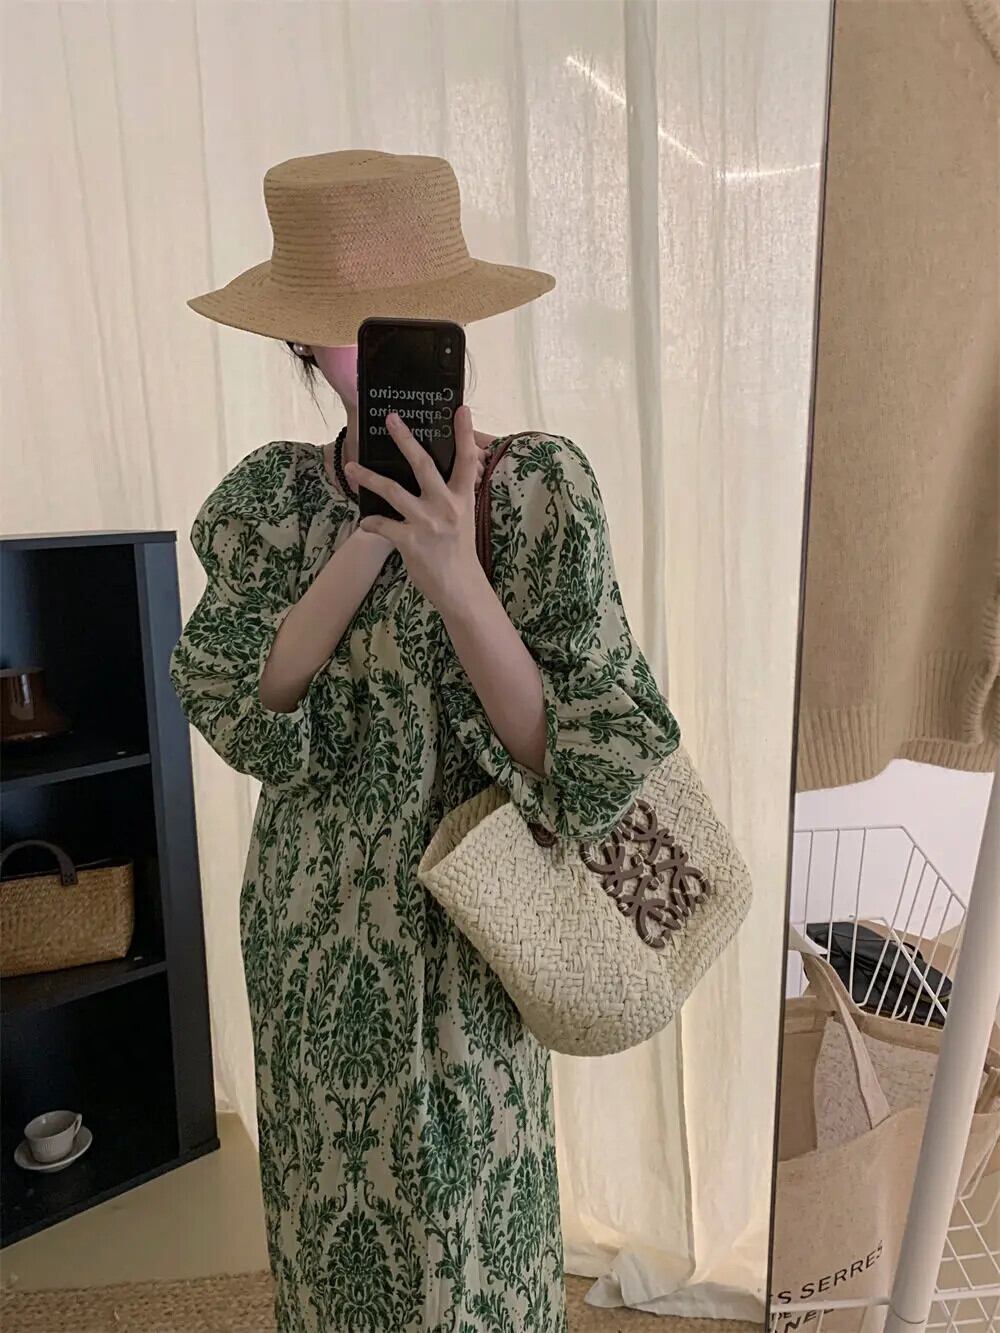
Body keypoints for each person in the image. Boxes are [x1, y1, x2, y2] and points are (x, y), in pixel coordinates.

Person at [169, 149, 679, 1333]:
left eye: (404, 317)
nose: (373, 342)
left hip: (473, 934)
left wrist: (456, 575)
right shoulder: (271, 504)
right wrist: (366, 536)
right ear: (301, 345)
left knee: (468, 1249)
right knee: (326, 1242)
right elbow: (247, 703)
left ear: (452, 332)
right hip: (311, 940)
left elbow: (590, 757)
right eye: (342, 323)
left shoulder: (539, 493)